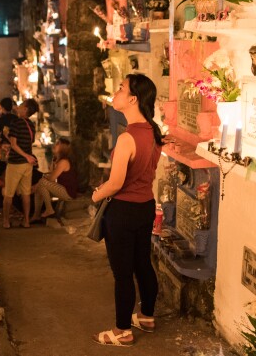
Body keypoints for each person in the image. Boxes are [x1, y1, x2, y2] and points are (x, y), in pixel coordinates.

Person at [91, 74, 164, 347]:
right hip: (145, 207)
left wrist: (96, 194)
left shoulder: (127, 138)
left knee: (122, 273)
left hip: (122, 212)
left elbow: (116, 183)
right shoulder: (153, 131)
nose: (116, 92)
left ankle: (122, 330)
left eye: (121, 88)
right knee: (143, 264)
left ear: (133, 98)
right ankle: (146, 317)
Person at [2, 98, 39, 229]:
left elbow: (14, 144)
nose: (18, 106)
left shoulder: (16, 123)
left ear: (26, 109)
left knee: (8, 194)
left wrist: (25, 155)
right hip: (27, 165)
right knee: (26, 194)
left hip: (16, 163)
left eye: (22, 104)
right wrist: (28, 157)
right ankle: (27, 221)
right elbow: (28, 141)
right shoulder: (31, 125)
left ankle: (6, 221)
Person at [30, 137, 78, 223]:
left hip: (68, 192)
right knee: (40, 188)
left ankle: (49, 209)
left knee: (42, 182)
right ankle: (36, 215)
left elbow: (51, 178)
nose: (55, 145)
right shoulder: (57, 160)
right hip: (60, 189)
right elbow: (51, 174)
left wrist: (38, 183)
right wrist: (53, 160)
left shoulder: (64, 162)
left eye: (57, 144)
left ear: (62, 147)